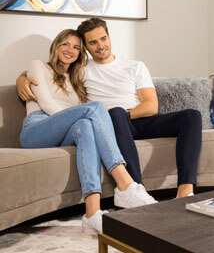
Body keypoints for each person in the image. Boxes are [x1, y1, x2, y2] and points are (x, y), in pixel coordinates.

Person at [17, 18, 202, 199]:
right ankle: (135, 188)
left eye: (103, 38)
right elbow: (52, 72)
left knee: (192, 116)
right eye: (93, 42)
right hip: (110, 122)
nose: (100, 46)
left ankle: (185, 190)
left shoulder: (135, 66)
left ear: (109, 37)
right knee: (116, 112)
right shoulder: (80, 69)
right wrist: (23, 78)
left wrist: (125, 114)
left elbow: (151, 106)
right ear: (86, 48)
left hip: (137, 118)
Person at [19, 29, 156, 235]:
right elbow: (46, 103)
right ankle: (125, 183)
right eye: (65, 44)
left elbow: (79, 118)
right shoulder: (37, 66)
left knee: (85, 125)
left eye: (76, 47)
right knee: (95, 108)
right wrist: (22, 78)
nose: (70, 50)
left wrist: (77, 116)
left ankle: (92, 214)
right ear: (56, 46)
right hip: (36, 129)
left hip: (62, 132)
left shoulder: (77, 79)